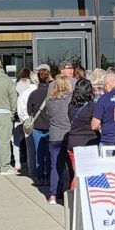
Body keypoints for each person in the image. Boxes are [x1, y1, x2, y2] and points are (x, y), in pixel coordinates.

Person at [44, 75, 74, 204]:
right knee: (72, 167)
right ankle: (71, 191)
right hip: (69, 134)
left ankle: (53, 195)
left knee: (55, 167)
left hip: (54, 136)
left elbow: (48, 114)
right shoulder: (71, 99)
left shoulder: (50, 100)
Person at [65, 79, 101, 186]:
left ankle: (74, 198)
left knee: (77, 174)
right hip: (90, 143)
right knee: (89, 175)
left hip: (73, 143)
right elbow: (96, 125)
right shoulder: (93, 106)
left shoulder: (71, 106)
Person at [27, 65, 53, 185]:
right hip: (49, 126)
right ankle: (48, 177)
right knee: (48, 153)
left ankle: (39, 177)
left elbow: (29, 111)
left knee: (39, 153)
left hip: (37, 126)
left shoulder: (33, 94)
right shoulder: (51, 93)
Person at [16, 70, 39, 179]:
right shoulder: (44, 91)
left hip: (27, 121)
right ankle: (42, 169)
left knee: (30, 148)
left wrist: (24, 120)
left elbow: (20, 110)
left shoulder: (24, 93)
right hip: (42, 121)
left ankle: (32, 170)